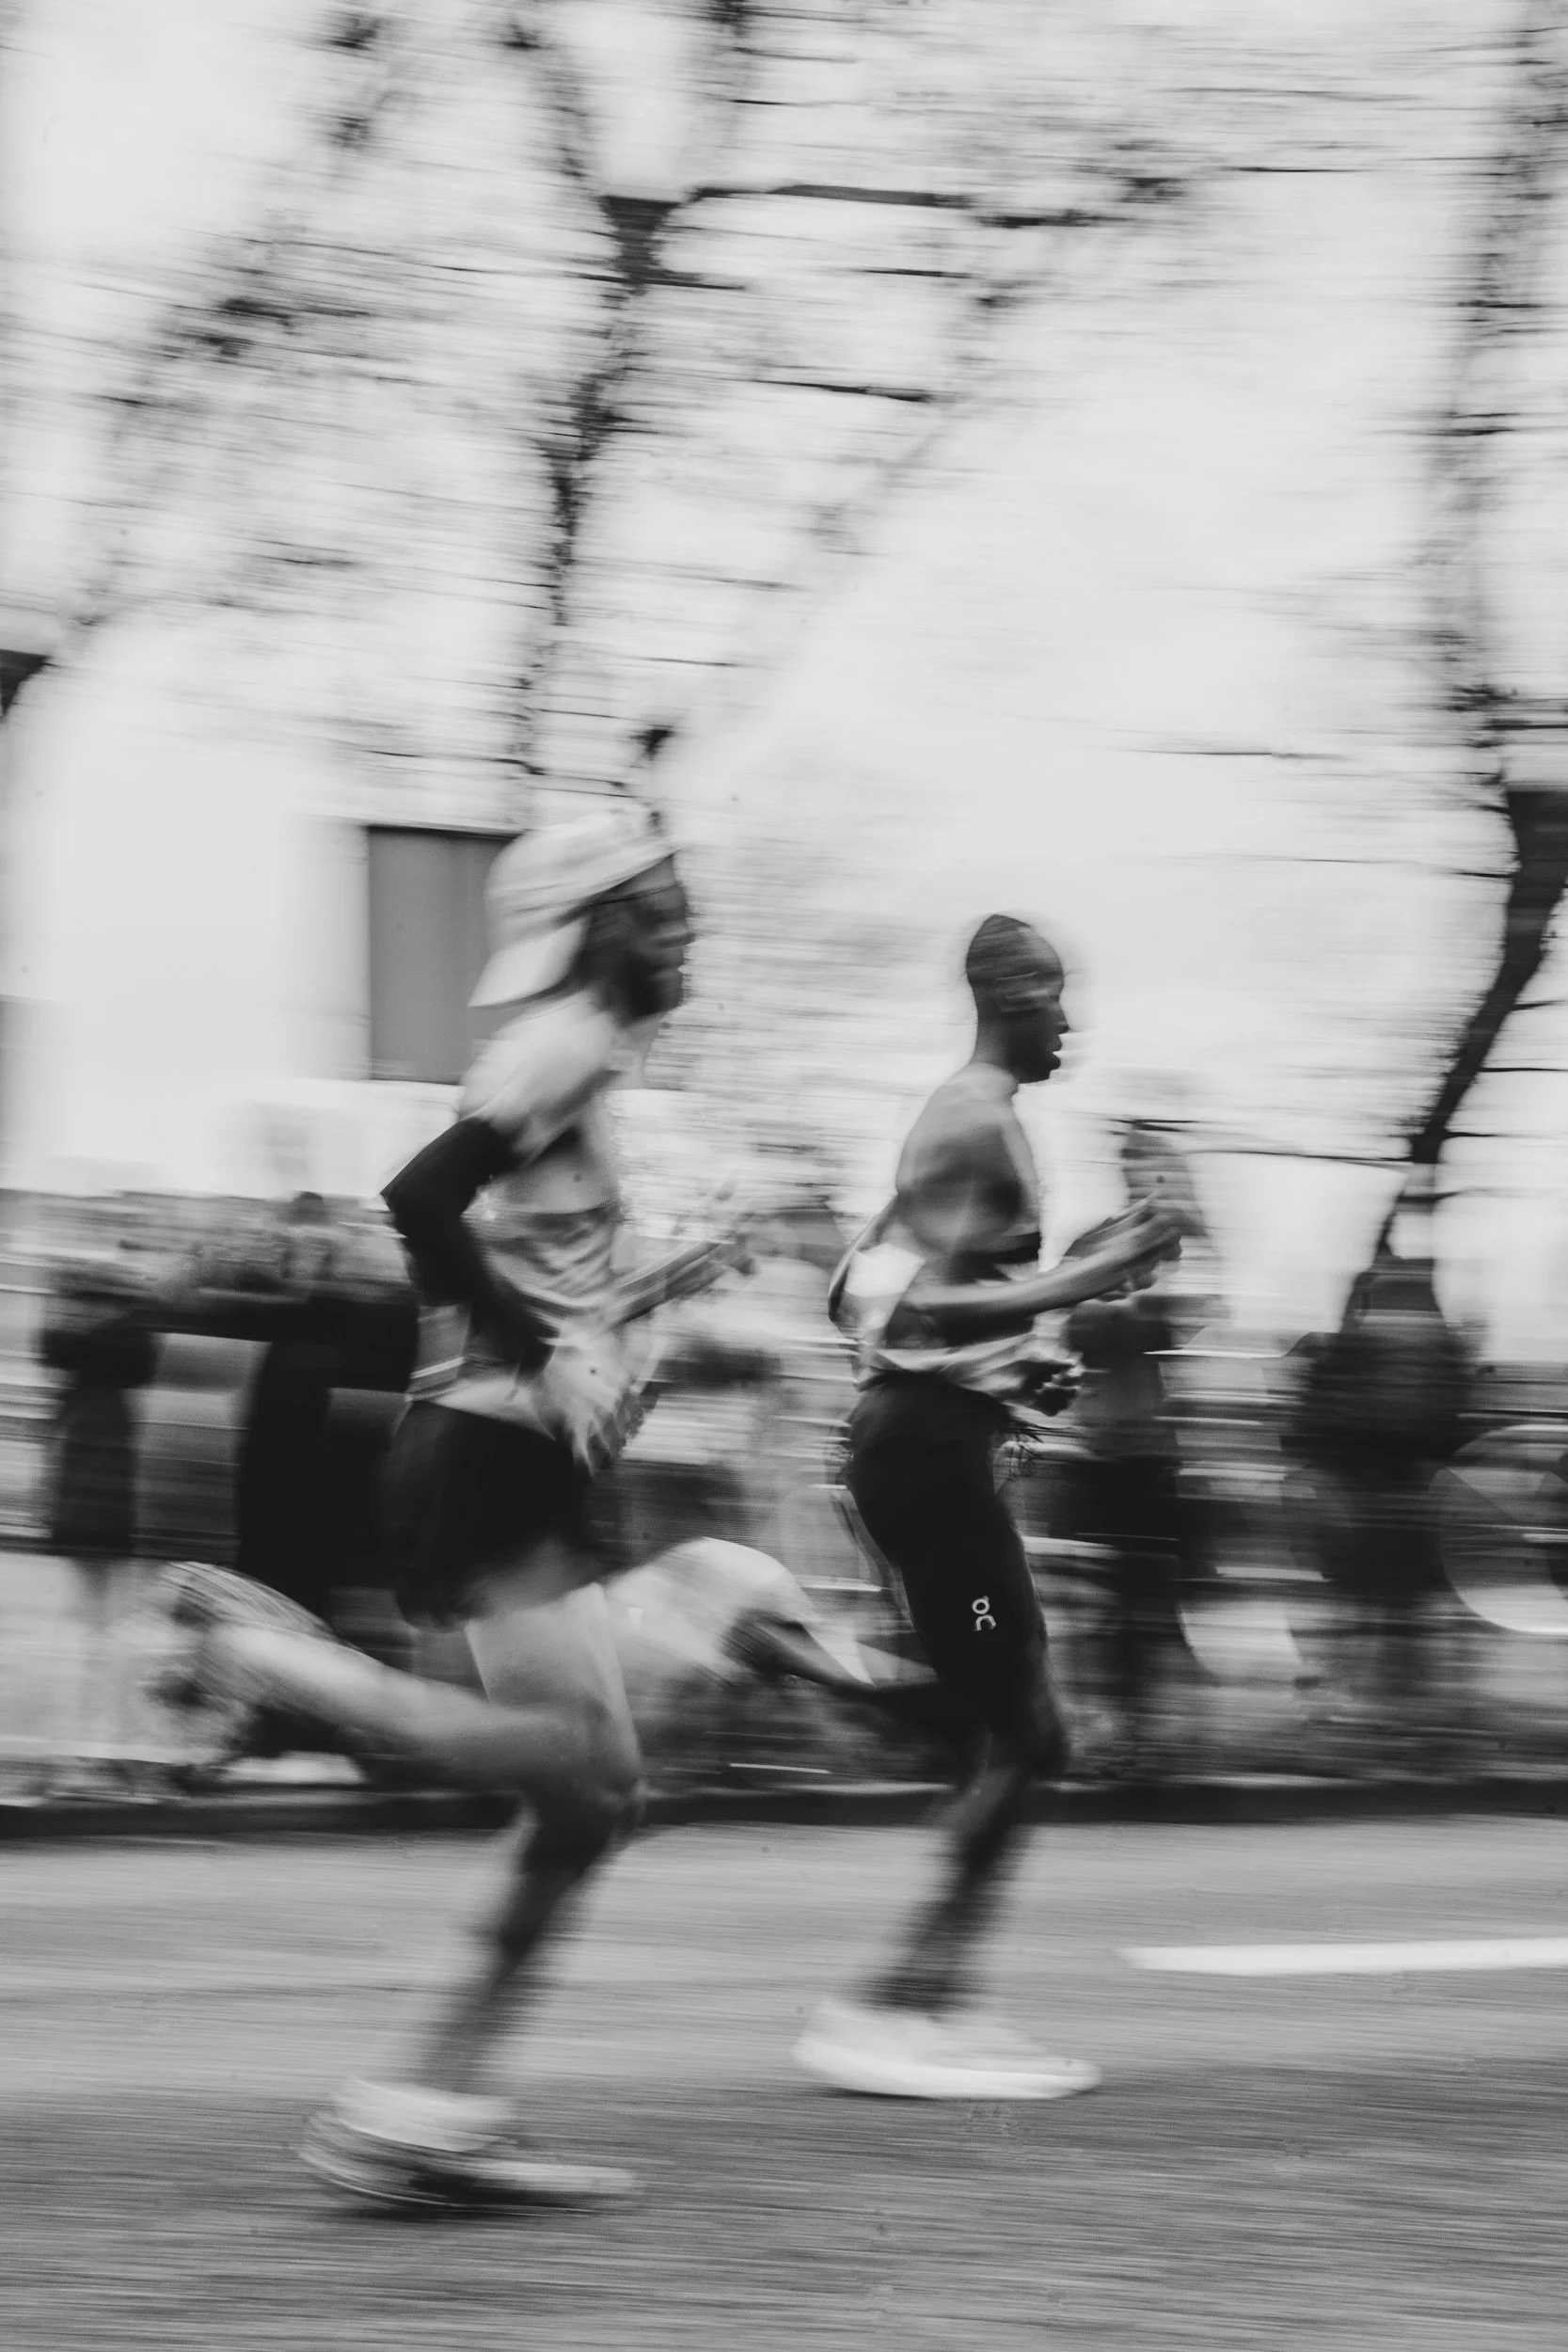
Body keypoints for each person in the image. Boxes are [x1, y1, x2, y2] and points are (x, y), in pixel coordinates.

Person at [156, 798, 757, 2212]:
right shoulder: (562, 1042)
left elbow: (535, 1269)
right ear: (603, 922)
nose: (690, 926)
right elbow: (418, 1197)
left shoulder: (589, 1064)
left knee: (583, 1807)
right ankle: (270, 1660)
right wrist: (546, 1353)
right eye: (665, 904)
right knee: (582, 1780)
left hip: (503, 1452)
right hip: (485, 1454)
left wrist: (669, 1283)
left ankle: (421, 2107)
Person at [793, 914, 1180, 2099]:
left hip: (928, 1447)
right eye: (1056, 996)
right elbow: (911, 1313)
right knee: (1028, 1732)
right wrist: (1095, 1272)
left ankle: (923, 1999)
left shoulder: (966, 1117)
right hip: (924, 1463)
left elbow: (856, 1293)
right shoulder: (972, 1118)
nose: (1071, 1021)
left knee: (998, 1725)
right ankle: (900, 2009)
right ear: (1006, 992)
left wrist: (1017, 1358)